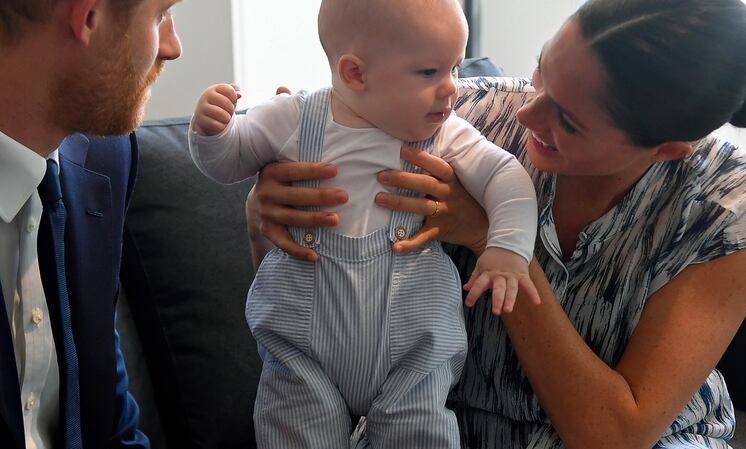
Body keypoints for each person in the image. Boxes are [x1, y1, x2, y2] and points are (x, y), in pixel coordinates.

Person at [248, 0, 746, 448]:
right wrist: (269, 211)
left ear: (666, 149)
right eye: (540, 73)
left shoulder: (737, 206)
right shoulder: (453, 115)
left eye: (570, 122)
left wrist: (491, 234)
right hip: (437, 423)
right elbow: (314, 294)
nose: (528, 114)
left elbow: (615, 434)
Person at [188, 0, 539, 447]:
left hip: (413, 349)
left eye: (455, 66)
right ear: (355, 74)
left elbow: (506, 176)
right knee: (293, 430)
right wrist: (211, 132)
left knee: (420, 433)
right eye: (430, 72)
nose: (452, 89)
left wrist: (507, 249)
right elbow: (226, 164)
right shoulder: (293, 118)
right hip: (303, 351)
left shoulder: (445, 133)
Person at [0, 1, 181, 448]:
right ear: (88, 17)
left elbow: (110, 425)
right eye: (159, 16)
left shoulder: (102, 156)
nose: (173, 47)